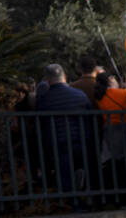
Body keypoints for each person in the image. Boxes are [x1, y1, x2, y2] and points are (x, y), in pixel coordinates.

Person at [36, 63, 93, 198]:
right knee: (86, 170)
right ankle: (88, 196)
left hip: (58, 144)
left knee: (65, 176)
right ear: (65, 77)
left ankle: (73, 203)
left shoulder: (45, 100)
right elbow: (90, 116)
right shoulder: (80, 95)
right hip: (81, 141)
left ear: (47, 80)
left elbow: (40, 122)